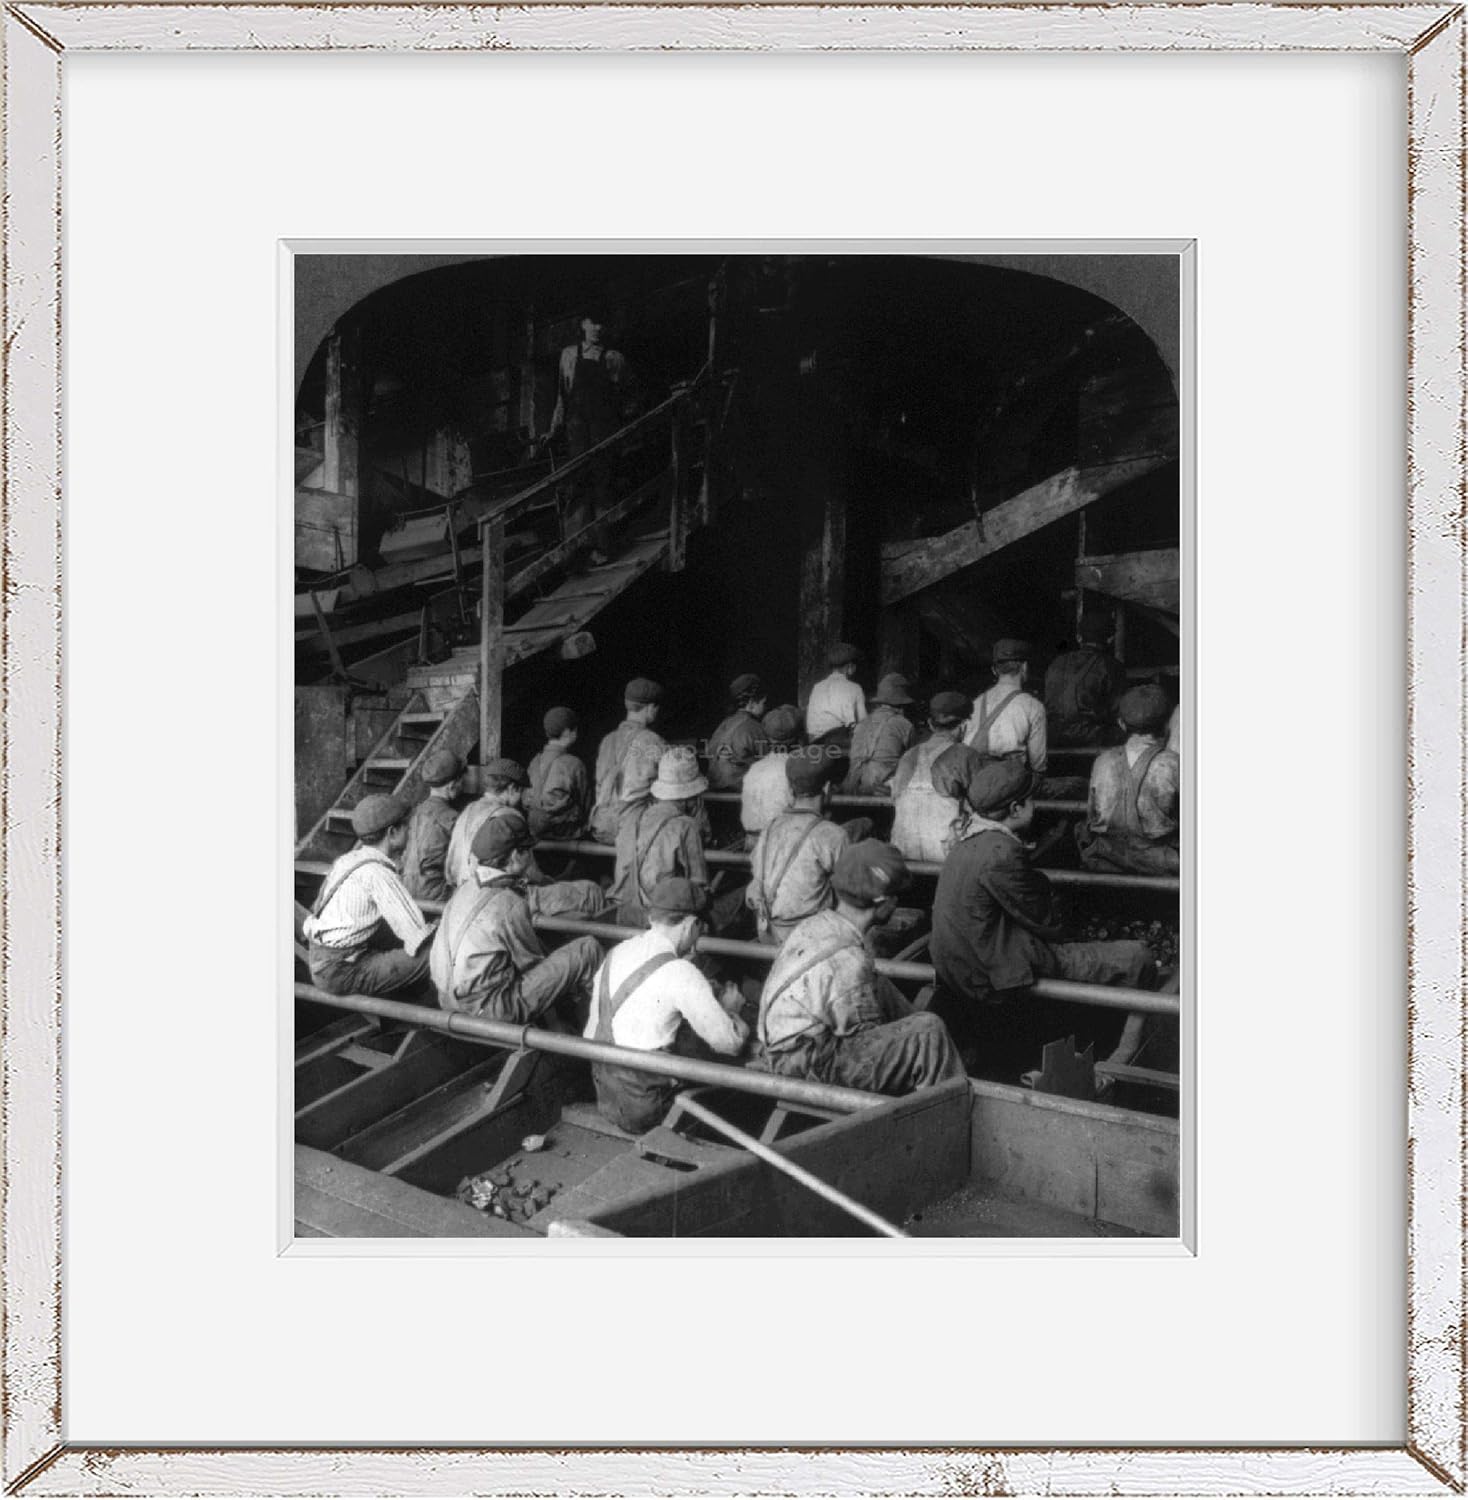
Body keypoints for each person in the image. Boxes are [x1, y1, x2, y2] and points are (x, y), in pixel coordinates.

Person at [929, 757, 1156, 1073]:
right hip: (990, 973)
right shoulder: (1000, 852)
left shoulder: (966, 843)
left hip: (966, 965)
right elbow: (1046, 920)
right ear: (1016, 809)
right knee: (1138, 958)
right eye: (1032, 799)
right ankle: (1123, 1054)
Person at [755, 841, 964, 1095]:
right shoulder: (849, 960)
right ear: (883, 901)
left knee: (879, 983)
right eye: (896, 897)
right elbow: (863, 1036)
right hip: (805, 1064)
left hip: (785, 1047)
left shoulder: (815, 925)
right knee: (929, 1031)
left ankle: (942, 1057)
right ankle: (949, 1108)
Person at [585, 878, 748, 1135]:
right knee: (738, 1073)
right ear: (692, 924)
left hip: (607, 1097)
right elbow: (729, 1044)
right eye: (699, 929)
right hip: (647, 1110)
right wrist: (731, 1009)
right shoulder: (681, 971)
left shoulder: (618, 951)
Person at [430, 811, 603, 1022]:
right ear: (514, 856)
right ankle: (598, 1024)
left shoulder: (465, 889)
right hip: (492, 1010)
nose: (531, 856)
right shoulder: (509, 904)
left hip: (446, 1001)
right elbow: (531, 965)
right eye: (528, 850)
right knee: (588, 949)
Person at [303, 794, 435, 998]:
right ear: (392, 833)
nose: (409, 832)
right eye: (406, 828)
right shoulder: (378, 873)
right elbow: (416, 936)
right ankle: (431, 1012)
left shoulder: (348, 860)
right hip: (342, 971)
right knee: (435, 955)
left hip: (321, 959)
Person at [545, 308, 635, 564]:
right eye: (593, 323)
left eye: (601, 324)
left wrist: (623, 425)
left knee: (603, 484)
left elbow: (630, 397)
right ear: (583, 324)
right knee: (577, 484)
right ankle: (575, 550)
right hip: (577, 429)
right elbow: (562, 398)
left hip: (603, 430)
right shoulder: (569, 356)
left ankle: (603, 547)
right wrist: (553, 428)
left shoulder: (614, 359)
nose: (597, 328)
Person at [746, 752, 852, 945]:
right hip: (808, 940)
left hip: (768, 933)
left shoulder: (770, 827)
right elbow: (850, 893)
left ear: (790, 788)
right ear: (827, 788)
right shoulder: (832, 834)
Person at [1076, 685, 1180, 876]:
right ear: (1167, 725)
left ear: (1121, 724)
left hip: (1107, 857)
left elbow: (1092, 816)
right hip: (1161, 864)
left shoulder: (1102, 761)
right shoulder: (1174, 764)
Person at [608, 747, 710, 928]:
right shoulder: (686, 825)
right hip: (665, 921)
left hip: (629, 913)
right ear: (689, 797)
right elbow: (698, 892)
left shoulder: (634, 818)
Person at [890, 690, 971, 862]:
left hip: (903, 853)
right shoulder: (966, 755)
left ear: (930, 724)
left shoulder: (907, 756)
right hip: (947, 857)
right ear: (964, 726)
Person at [589, 677, 667, 844]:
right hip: (632, 829)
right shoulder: (653, 741)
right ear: (651, 708)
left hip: (601, 827)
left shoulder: (607, 741)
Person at [1043, 608, 1128, 748]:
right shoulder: (1111, 666)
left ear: (1079, 637)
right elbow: (1119, 711)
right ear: (1111, 639)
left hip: (1051, 736)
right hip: (1091, 738)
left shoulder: (1056, 663)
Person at [965, 639, 1047, 773]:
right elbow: (1038, 765)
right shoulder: (1033, 706)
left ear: (994, 670)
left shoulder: (974, 704)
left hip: (974, 785)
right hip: (1012, 787)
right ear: (1025, 667)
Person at [444, 758, 528, 889]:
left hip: (459, 890)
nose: (523, 798)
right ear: (512, 788)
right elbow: (528, 869)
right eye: (521, 791)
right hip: (491, 892)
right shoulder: (510, 816)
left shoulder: (468, 809)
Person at [401, 750, 465, 902]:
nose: (463, 785)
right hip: (437, 895)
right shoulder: (451, 818)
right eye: (461, 781)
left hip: (407, 890)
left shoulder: (415, 812)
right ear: (451, 785)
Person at [842, 673, 916, 793]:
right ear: (903, 705)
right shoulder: (905, 725)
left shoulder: (862, 724)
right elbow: (912, 761)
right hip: (882, 788)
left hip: (852, 785)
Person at [739, 704, 802, 844]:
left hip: (751, 841)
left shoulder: (755, 768)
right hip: (780, 842)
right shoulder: (795, 768)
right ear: (798, 739)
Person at [526, 706, 590, 842]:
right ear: (567, 732)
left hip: (536, 831)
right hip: (567, 832)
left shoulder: (535, 762)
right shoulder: (573, 763)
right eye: (575, 730)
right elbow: (586, 804)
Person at [706, 673, 768, 791]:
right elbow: (769, 762)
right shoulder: (753, 727)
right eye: (763, 702)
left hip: (714, 794)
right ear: (751, 702)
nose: (765, 707)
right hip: (739, 795)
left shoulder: (723, 724)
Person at [804, 642, 867, 744]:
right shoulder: (855, 688)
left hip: (814, 741)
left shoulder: (817, 687)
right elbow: (864, 723)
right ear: (850, 667)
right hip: (838, 743)